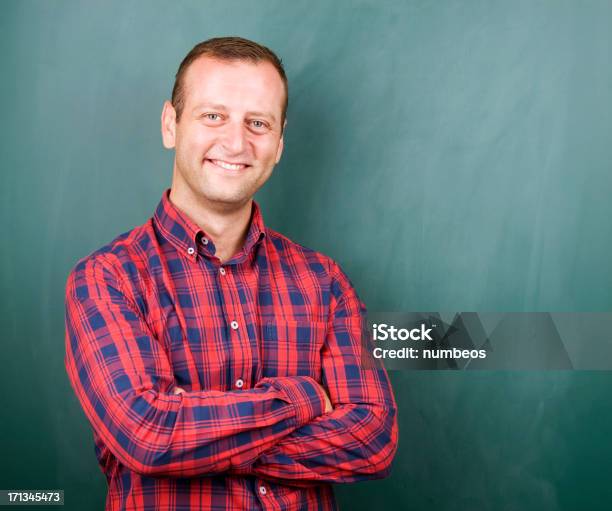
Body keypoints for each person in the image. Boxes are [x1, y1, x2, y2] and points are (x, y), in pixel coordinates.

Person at [64, 36, 398, 511]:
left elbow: (372, 438)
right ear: (170, 124)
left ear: (279, 144)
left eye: (257, 123)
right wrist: (302, 399)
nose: (236, 142)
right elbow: (149, 435)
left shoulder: (325, 283)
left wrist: (198, 437)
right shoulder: (106, 279)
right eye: (213, 116)